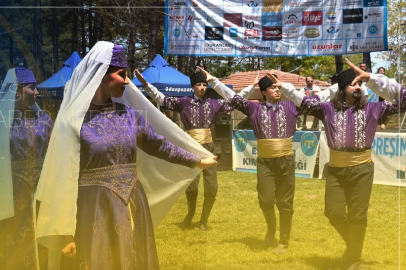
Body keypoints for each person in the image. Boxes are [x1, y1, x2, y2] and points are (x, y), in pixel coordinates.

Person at [35, 41, 217, 270]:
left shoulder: (130, 115)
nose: (126, 80)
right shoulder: (73, 120)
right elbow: (60, 177)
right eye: (121, 74)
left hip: (132, 205)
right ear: (101, 75)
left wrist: (197, 161)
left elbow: (159, 145)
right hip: (93, 211)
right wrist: (63, 233)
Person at [273, 58, 404, 270]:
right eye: (354, 84)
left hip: (362, 169)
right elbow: (305, 102)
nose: (359, 87)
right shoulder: (327, 109)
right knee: (333, 213)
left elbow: (403, 100)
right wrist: (286, 88)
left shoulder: (375, 109)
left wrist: (371, 78)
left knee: (357, 215)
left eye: (360, 84)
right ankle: (354, 246)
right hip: (335, 170)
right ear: (342, 90)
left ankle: (353, 258)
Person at [198, 67, 336, 254]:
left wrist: (340, 85)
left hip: (286, 160)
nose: (277, 90)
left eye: (278, 87)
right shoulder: (254, 108)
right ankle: (271, 230)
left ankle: (283, 241)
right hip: (265, 162)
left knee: (285, 202)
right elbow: (233, 97)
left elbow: (316, 100)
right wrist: (214, 80)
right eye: (272, 88)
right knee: (266, 199)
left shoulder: (291, 106)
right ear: (263, 92)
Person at [136, 69, 258, 231]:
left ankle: (203, 221)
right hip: (190, 149)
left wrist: (251, 88)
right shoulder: (184, 102)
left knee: (212, 186)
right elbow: (162, 99)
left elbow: (235, 100)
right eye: (199, 85)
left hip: (208, 148)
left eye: (204, 85)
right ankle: (190, 213)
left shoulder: (213, 103)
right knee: (191, 186)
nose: (202, 87)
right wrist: (145, 84)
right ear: (193, 87)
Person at [0, 68, 53, 270]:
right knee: (15, 245)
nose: (37, 92)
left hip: (42, 193)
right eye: (32, 87)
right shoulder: (2, 123)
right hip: (12, 194)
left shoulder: (45, 119)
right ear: (18, 91)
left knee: (43, 243)